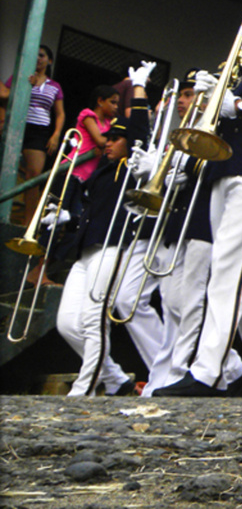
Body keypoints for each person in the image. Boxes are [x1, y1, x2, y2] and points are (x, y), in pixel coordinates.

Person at [154, 0, 242, 397]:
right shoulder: (241, 72)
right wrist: (210, 98)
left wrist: (240, 105)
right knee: (233, 275)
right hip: (222, 170)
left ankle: (208, 371)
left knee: (228, 272)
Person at [55, 60, 155, 396]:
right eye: (107, 138)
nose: (108, 143)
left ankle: (83, 389)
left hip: (112, 246)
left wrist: (138, 88)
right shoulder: (101, 170)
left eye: (115, 139)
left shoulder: (131, 167)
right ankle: (114, 378)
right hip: (86, 248)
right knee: (67, 323)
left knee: (93, 317)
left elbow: (139, 130)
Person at [0, 45, 65, 233]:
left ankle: (28, 225)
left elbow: (59, 114)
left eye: (42, 55)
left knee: (33, 176)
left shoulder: (55, 86)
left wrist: (55, 135)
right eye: (35, 55)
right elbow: (5, 97)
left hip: (39, 131)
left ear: (49, 61)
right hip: (17, 125)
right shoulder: (20, 77)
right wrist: (24, 84)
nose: (38, 58)